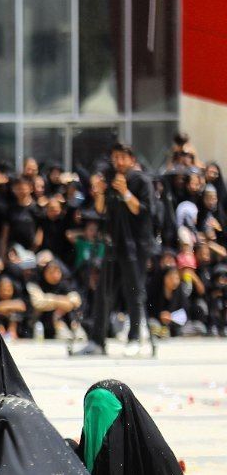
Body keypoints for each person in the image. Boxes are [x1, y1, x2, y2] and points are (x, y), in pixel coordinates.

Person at [85, 143, 155, 356]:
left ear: (132, 159)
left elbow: (144, 211)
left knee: (134, 292)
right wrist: (99, 193)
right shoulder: (110, 179)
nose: (119, 162)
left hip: (135, 245)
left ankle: (135, 338)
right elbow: (101, 210)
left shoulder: (141, 180)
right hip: (113, 242)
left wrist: (125, 192)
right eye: (115, 157)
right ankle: (97, 341)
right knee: (103, 291)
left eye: (123, 157)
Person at [78, 379, 187, 475]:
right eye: (90, 414)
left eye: (103, 414)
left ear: (124, 416)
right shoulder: (75, 457)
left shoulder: (153, 456)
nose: (96, 424)